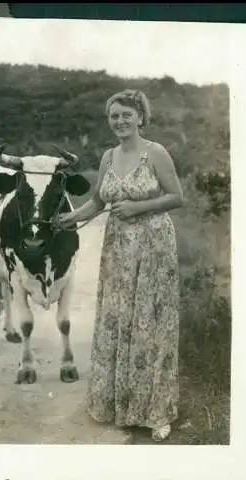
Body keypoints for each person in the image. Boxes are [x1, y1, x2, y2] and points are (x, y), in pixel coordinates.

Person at [55, 89, 184, 442]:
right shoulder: (109, 156)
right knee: (118, 320)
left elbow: (177, 197)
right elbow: (98, 200)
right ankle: (121, 406)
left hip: (154, 247)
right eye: (114, 116)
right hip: (117, 251)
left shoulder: (155, 152)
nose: (120, 121)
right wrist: (72, 217)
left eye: (127, 114)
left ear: (141, 117)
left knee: (150, 324)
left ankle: (156, 412)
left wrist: (138, 208)